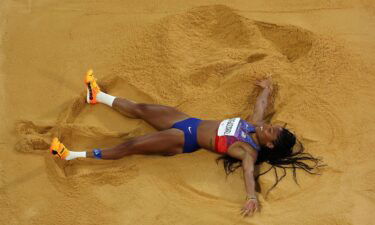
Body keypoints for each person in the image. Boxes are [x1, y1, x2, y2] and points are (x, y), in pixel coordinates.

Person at [50, 70, 323, 217]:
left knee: (132, 145)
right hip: (186, 121)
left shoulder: (247, 151)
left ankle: (71, 155)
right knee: (142, 109)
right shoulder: (253, 124)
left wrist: (251, 197)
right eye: (273, 125)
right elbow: (261, 105)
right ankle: (96, 95)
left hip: (184, 139)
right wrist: (267, 87)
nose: (268, 126)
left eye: (271, 131)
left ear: (270, 145)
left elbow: (249, 175)